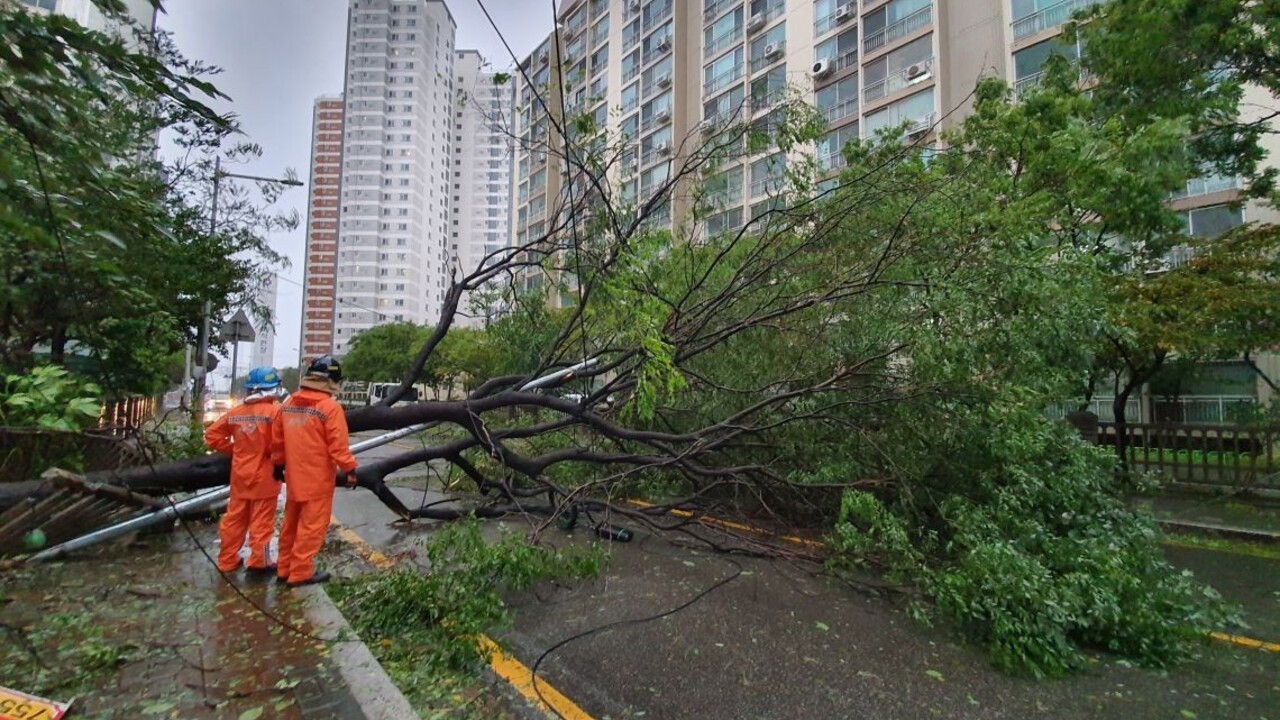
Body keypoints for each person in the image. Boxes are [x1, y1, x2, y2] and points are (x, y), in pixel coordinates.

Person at [271, 355, 360, 587]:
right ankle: (300, 572)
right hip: (318, 479)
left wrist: (279, 464)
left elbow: (277, 441)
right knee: (311, 527)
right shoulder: (329, 407)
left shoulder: (288, 404)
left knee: (290, 525)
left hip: (293, 479)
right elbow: (338, 447)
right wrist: (350, 470)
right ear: (332, 380)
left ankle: (284, 568)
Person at [204, 366, 284, 575]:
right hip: (266, 477)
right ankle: (259, 562)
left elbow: (212, 436)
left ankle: (227, 560)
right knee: (262, 523)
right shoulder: (275, 412)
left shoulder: (236, 413)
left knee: (234, 520)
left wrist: (236, 450)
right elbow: (281, 445)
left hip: (240, 475)